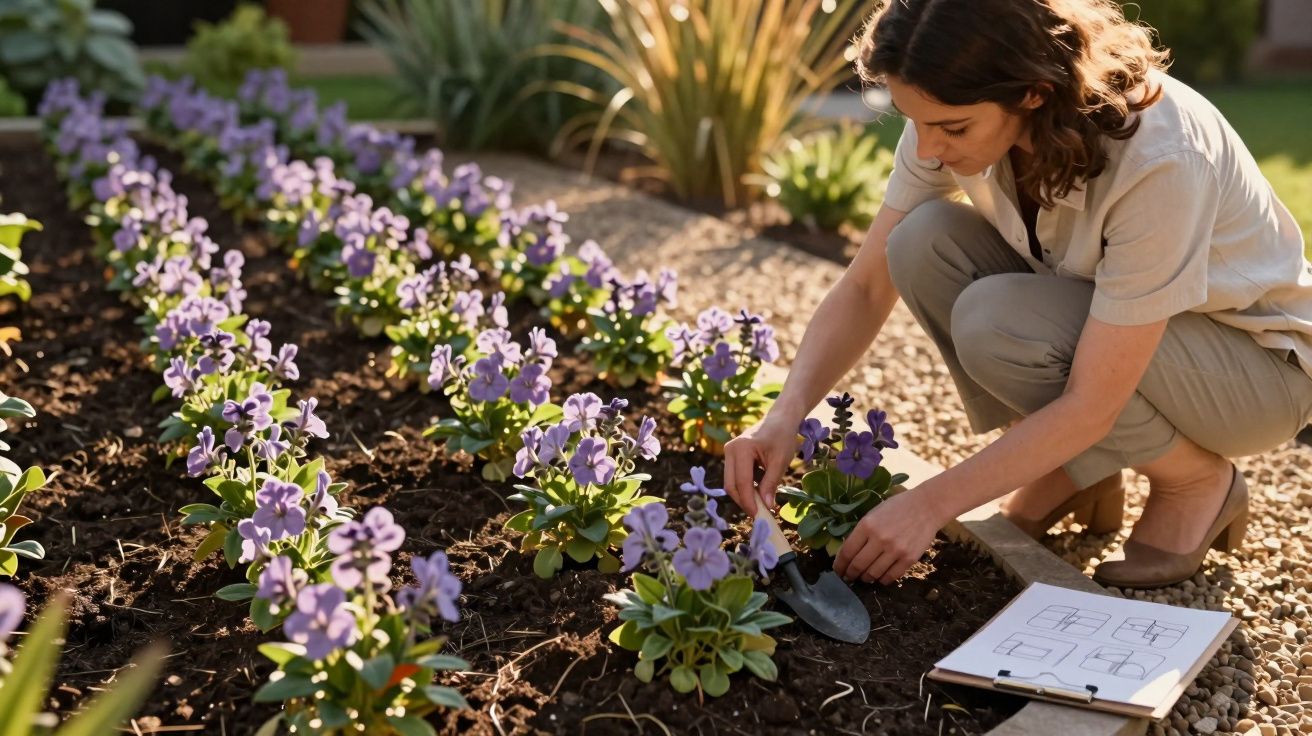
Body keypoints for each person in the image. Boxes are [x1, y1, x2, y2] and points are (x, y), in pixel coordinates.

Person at [723, 0, 1312, 590]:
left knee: (1000, 321)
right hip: (1122, 335)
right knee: (918, 242)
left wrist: (929, 504)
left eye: (952, 128)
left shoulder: (1161, 156)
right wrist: (786, 414)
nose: (928, 149)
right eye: (913, 120)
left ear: (1032, 92)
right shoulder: (954, 104)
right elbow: (866, 283)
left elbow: (1092, 402)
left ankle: (1195, 481)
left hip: (1256, 368)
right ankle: (1074, 465)